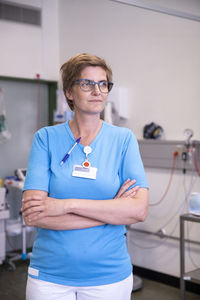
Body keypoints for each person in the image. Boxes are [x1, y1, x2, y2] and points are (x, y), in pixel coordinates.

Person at [22, 53, 149, 300]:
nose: (97, 91)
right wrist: (111, 213)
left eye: (103, 84)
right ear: (69, 92)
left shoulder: (123, 140)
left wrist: (64, 205)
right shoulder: (45, 139)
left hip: (109, 277)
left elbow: (138, 211)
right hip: (49, 276)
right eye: (86, 84)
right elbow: (33, 215)